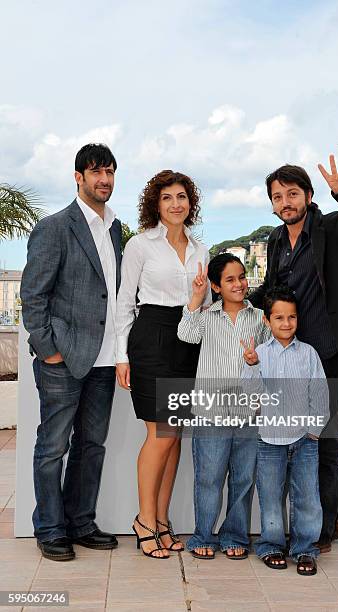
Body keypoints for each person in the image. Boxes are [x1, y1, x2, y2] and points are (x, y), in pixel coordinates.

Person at [249, 155, 338, 550]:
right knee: (300, 437)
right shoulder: (277, 240)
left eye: (292, 194)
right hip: (293, 358)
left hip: (330, 356)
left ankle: (322, 532)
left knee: (322, 441)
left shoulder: (336, 227)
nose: (285, 202)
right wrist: (232, 298)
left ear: (309, 195)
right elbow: (270, 291)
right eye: (277, 197)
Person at [20, 143, 122, 561]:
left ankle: (81, 522)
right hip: (64, 359)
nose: (104, 180)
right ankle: (49, 527)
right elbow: (33, 296)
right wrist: (49, 351)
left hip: (104, 360)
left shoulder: (115, 228)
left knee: (91, 446)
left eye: (110, 172)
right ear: (78, 177)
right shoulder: (54, 227)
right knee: (52, 447)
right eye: (96, 172)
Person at [115, 170, 210, 559]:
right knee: (162, 434)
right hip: (151, 336)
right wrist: (121, 355)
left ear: (191, 203)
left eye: (182, 196)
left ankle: (163, 521)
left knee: (175, 440)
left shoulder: (202, 249)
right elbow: (124, 302)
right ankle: (144, 520)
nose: (176, 203)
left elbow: (203, 305)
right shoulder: (140, 245)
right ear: (156, 204)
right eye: (168, 197)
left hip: (189, 339)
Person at [177, 253, 269, 559]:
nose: (239, 284)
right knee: (209, 477)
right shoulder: (206, 316)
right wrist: (195, 296)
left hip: (248, 414)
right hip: (211, 413)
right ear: (216, 286)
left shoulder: (259, 319)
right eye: (230, 279)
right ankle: (202, 535)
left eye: (241, 277)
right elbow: (186, 334)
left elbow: (270, 360)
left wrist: (257, 362)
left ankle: (235, 537)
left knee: (243, 479)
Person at [242, 286, 329, 575]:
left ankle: (305, 549)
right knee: (270, 497)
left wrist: (313, 431)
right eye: (279, 317)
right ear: (267, 321)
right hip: (269, 439)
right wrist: (252, 366)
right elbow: (252, 396)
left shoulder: (308, 354)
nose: (286, 323)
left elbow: (319, 394)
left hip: (304, 440)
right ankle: (271, 546)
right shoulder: (259, 355)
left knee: (306, 497)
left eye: (291, 317)